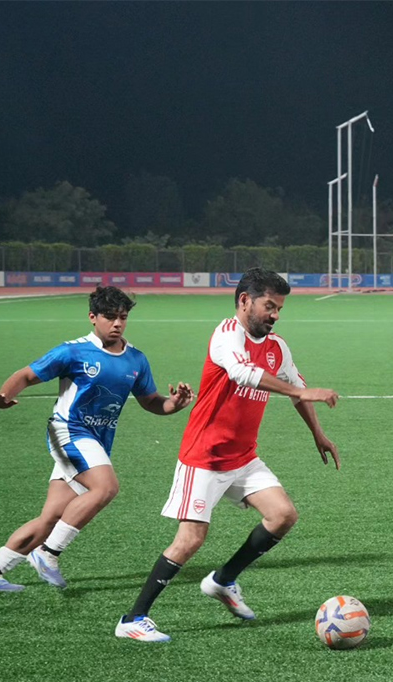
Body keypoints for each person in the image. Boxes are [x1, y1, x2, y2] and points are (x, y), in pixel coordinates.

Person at [116, 268, 340, 643]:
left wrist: (318, 433)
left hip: (243, 458)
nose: (275, 315)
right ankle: (133, 618)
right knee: (190, 540)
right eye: (269, 306)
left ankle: (223, 581)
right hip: (205, 456)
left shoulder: (277, 347)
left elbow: (298, 389)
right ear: (244, 301)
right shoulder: (226, 335)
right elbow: (243, 374)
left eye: (279, 308)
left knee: (283, 515)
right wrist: (301, 393)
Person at [0, 286, 194, 592]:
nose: (117, 323)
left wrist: (175, 405)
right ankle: (47, 553)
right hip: (68, 431)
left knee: (51, 517)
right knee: (106, 487)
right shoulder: (72, 352)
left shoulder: (136, 360)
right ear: (93, 317)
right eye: (110, 317)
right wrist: (3, 397)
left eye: (123, 317)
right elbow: (26, 375)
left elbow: (151, 401)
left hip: (96, 441)